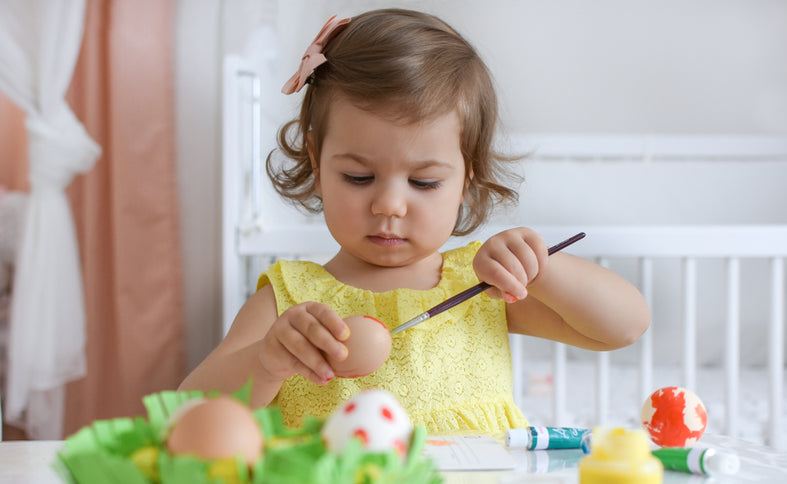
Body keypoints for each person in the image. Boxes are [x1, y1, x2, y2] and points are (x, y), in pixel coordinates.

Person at [180, 8, 650, 434]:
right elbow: (185, 414)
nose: (389, 205)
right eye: (359, 176)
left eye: (423, 183)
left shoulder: (480, 285)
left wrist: (540, 268)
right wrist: (268, 362)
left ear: (467, 178)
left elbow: (624, 326)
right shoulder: (288, 303)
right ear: (317, 166)